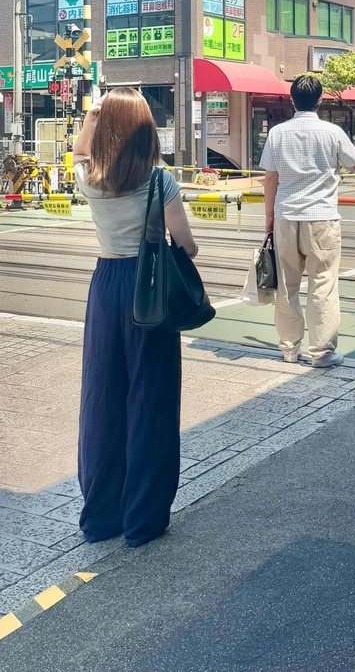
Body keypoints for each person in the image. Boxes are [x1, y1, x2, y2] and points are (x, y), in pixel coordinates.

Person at [72, 87, 198, 547]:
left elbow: (80, 149)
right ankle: (143, 520)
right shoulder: (160, 181)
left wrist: (93, 114)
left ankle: (102, 516)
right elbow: (185, 244)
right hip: (149, 294)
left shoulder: (91, 177)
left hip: (106, 287)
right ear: (146, 130)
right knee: (152, 398)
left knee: (103, 397)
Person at [260, 75, 355, 367]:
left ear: (292, 100)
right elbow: (354, 165)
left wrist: (269, 219)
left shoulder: (278, 134)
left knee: (286, 285)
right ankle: (322, 352)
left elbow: (270, 177)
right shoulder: (333, 132)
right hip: (322, 218)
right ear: (320, 100)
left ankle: (290, 349)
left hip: (285, 216)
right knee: (323, 284)